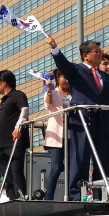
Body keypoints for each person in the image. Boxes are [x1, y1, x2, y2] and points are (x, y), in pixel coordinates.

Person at [48, 35, 109, 200]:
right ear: (86, 56)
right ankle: (76, 195)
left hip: (102, 122)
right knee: (80, 159)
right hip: (82, 121)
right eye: (96, 52)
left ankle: (100, 194)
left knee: (101, 161)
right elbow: (62, 63)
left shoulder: (105, 77)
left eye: (100, 51)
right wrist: (54, 48)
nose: (100, 54)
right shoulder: (76, 70)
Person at [0, 69, 31, 199]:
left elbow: (25, 110)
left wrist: (18, 127)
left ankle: (21, 198)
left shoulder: (17, 95)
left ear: (4, 82)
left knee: (16, 172)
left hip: (14, 142)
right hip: (2, 145)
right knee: (7, 175)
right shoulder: (3, 101)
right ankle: (12, 199)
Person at [40, 69, 68, 201]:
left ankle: (74, 195)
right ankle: (49, 198)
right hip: (57, 135)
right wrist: (49, 89)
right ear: (57, 78)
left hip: (73, 134)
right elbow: (47, 105)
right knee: (56, 168)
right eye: (63, 77)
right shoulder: (54, 92)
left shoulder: (75, 92)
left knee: (73, 166)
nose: (66, 80)